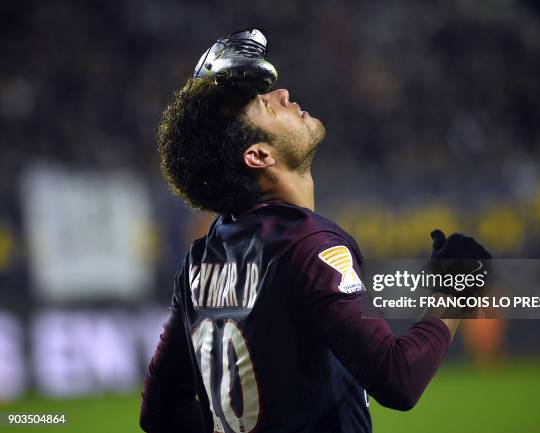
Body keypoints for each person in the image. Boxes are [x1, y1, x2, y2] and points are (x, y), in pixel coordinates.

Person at [140, 29, 490, 433]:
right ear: (259, 156)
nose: (285, 95)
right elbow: (399, 380)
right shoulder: (306, 244)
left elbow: (158, 413)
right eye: (268, 107)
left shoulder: (199, 261)